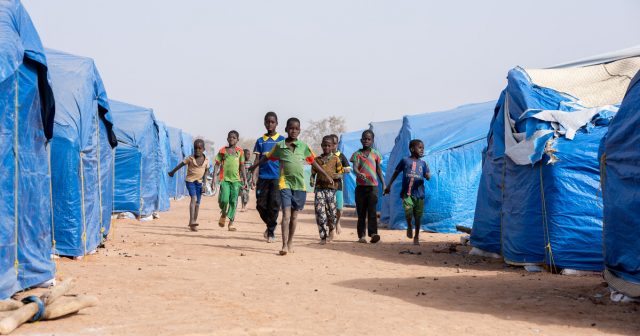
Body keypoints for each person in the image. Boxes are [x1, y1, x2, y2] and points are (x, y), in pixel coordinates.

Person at [250, 118, 334, 255]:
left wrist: (325, 174)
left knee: (294, 217)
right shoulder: (280, 146)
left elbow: (314, 162)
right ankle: (283, 245)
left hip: (300, 185)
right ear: (286, 129)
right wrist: (254, 166)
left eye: (296, 128)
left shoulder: (304, 146)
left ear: (299, 130)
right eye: (291, 128)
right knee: (286, 215)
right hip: (284, 182)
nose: (293, 131)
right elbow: (266, 157)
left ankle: (290, 242)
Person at [384, 139, 431, 245]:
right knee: (408, 211)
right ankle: (409, 225)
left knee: (418, 217)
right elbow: (396, 173)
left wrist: (428, 175)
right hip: (407, 193)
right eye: (419, 147)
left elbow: (427, 176)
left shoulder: (423, 163)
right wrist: (389, 185)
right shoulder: (405, 160)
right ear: (411, 149)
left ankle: (417, 236)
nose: (422, 150)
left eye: (423, 148)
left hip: (419, 194)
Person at [252, 112, 286, 243]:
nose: (270, 124)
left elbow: (284, 159)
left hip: (277, 178)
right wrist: (254, 177)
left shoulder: (282, 140)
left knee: (275, 204)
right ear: (264, 123)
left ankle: (271, 231)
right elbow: (257, 160)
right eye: (267, 122)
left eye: (272, 122)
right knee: (260, 205)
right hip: (263, 178)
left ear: (277, 123)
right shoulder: (260, 141)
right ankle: (271, 224)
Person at [350, 130, 386, 243]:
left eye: (369, 139)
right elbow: (355, 167)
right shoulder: (357, 154)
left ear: (372, 141)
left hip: (373, 187)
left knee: (372, 211)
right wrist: (358, 173)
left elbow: (379, 170)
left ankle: (373, 234)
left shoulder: (376, 154)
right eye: (364, 138)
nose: (366, 140)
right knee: (361, 213)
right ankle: (361, 236)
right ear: (361, 140)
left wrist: (384, 184)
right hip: (360, 187)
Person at [168, 139, 210, 231]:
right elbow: (181, 165)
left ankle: (193, 224)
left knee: (198, 204)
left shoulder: (206, 160)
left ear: (203, 149)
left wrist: (204, 184)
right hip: (190, 181)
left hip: (199, 183)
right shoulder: (190, 158)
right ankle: (191, 220)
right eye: (195, 148)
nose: (197, 150)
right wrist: (172, 172)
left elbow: (206, 172)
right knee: (193, 199)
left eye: (200, 148)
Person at [311, 135, 343, 244]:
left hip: (331, 189)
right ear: (321, 146)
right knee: (320, 212)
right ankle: (323, 237)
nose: (326, 147)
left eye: (329, 145)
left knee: (332, 214)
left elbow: (341, 174)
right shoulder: (317, 160)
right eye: (324, 145)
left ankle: (332, 229)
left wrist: (333, 176)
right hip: (319, 189)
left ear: (332, 147)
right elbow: (313, 173)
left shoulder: (335, 159)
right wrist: (311, 180)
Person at [213, 130, 246, 231]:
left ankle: (231, 223)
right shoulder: (223, 151)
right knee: (224, 199)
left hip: (236, 181)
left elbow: (242, 166)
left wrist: (245, 179)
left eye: (234, 137)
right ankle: (223, 213)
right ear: (227, 139)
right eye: (230, 137)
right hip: (224, 180)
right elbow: (217, 164)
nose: (232, 139)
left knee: (233, 201)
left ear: (237, 140)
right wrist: (214, 177)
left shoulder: (240, 152)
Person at [330, 134, 351, 235]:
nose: (333, 145)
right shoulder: (326, 155)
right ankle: (331, 229)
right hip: (327, 186)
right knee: (329, 207)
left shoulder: (341, 156)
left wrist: (339, 171)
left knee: (339, 208)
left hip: (338, 185)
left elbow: (348, 169)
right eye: (331, 143)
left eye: (335, 143)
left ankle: (337, 222)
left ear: (337, 144)